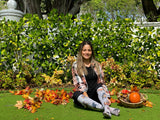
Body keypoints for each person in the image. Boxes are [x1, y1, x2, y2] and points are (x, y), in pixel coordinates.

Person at [72, 41, 120, 118]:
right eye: (84, 50)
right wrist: (87, 99)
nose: (86, 52)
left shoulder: (97, 65)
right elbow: (79, 84)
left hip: (97, 94)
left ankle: (105, 108)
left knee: (99, 87)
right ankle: (108, 109)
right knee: (76, 95)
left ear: (91, 52)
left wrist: (107, 97)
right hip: (85, 95)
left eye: (89, 50)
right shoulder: (76, 65)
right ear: (81, 52)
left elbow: (101, 82)